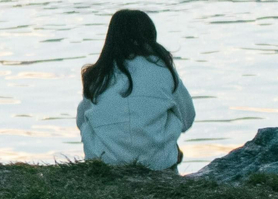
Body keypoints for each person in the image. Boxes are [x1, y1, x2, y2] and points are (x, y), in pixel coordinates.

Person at [76, 9, 195, 170]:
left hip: (105, 162)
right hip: (156, 163)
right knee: (174, 113)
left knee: (88, 119)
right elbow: (187, 118)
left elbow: (80, 121)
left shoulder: (97, 75)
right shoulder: (162, 69)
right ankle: (165, 153)